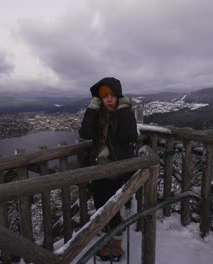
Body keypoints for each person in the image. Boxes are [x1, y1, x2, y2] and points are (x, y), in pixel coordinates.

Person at [79, 77, 138, 261]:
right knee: (101, 206)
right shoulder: (98, 114)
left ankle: (116, 248)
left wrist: (124, 110)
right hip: (99, 167)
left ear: (118, 96)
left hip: (118, 167)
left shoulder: (123, 112)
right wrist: (92, 108)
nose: (109, 99)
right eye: (105, 96)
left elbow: (129, 135)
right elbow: (85, 134)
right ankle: (110, 241)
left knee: (110, 208)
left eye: (112, 95)